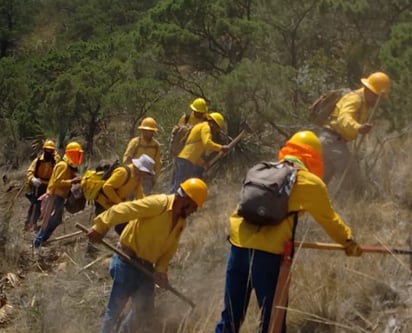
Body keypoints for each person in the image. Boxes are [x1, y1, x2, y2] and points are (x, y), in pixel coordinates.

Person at [214, 131, 363, 333]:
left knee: (230, 318)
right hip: (268, 257)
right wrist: (349, 243)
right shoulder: (309, 182)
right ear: (314, 156)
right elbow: (330, 221)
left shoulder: (263, 170)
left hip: (238, 249)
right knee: (273, 322)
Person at [86, 178, 208, 333]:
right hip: (127, 260)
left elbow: (169, 249)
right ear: (185, 200)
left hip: (146, 268)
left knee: (143, 312)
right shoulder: (159, 204)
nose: (194, 211)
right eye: (194, 207)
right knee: (114, 310)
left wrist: (161, 271)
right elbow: (124, 209)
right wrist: (100, 226)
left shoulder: (180, 222)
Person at [319, 72, 390, 185]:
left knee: (321, 181)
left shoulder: (364, 104)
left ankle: (318, 201)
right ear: (369, 90)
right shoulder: (355, 99)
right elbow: (344, 118)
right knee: (351, 178)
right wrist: (358, 128)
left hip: (330, 141)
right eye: (376, 97)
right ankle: (348, 202)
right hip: (331, 141)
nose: (377, 101)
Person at [33, 142, 83, 248]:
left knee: (56, 220)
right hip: (54, 195)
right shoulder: (63, 165)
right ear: (72, 153)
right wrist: (72, 181)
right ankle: (38, 241)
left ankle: (42, 239)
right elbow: (57, 182)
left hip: (59, 196)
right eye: (77, 154)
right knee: (49, 220)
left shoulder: (68, 166)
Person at [95, 154, 155, 235]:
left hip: (115, 204)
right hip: (104, 202)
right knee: (100, 229)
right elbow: (107, 187)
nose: (145, 175)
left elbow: (139, 195)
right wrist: (119, 202)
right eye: (145, 172)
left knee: (123, 225)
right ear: (139, 168)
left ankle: (122, 245)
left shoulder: (137, 178)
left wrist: (146, 207)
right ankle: (91, 246)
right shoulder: (123, 173)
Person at [170, 112, 229, 193]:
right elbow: (207, 143)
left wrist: (202, 163)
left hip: (184, 159)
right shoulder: (206, 127)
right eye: (217, 127)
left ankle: (169, 202)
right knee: (178, 188)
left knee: (180, 187)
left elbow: (194, 150)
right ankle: (168, 203)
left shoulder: (200, 126)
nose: (216, 130)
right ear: (213, 123)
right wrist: (221, 148)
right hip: (186, 160)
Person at [24, 139, 60, 232]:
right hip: (38, 185)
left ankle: (44, 224)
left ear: (53, 151)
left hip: (49, 186)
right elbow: (29, 172)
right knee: (35, 204)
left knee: (48, 205)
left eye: (50, 150)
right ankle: (30, 223)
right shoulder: (38, 161)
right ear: (44, 150)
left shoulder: (56, 161)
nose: (48, 152)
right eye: (47, 150)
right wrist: (32, 179)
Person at [123, 117, 161, 195]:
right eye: (146, 131)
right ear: (142, 130)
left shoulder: (156, 145)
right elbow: (126, 157)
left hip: (147, 177)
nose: (148, 133)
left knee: (143, 200)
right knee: (129, 198)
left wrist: (154, 179)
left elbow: (157, 163)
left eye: (150, 131)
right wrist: (128, 172)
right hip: (134, 174)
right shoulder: (135, 142)